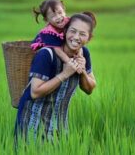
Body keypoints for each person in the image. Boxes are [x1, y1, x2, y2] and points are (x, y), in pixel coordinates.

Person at [15, 12, 97, 144]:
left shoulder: (84, 54)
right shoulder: (47, 54)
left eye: (82, 34)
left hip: (59, 127)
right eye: (73, 31)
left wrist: (82, 72)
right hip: (32, 123)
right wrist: (64, 74)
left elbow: (89, 88)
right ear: (64, 31)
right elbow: (35, 92)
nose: (76, 37)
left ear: (89, 38)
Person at [31, 0, 83, 72]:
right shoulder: (48, 32)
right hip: (49, 50)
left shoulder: (70, 23)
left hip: (62, 47)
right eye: (53, 16)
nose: (58, 17)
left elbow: (77, 40)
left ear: (64, 11)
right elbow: (57, 50)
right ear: (46, 20)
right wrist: (70, 63)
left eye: (60, 12)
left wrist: (79, 56)